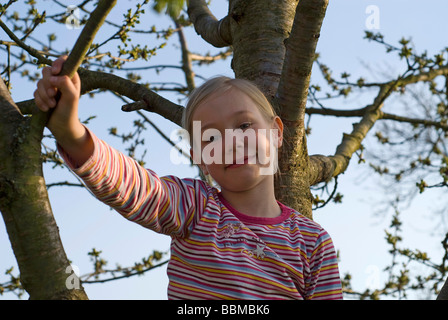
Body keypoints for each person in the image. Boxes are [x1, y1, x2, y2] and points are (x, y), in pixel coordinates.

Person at [34, 56, 343, 300]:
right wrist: (71, 133)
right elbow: (138, 187)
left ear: (276, 132)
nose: (231, 142)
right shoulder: (195, 208)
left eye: (245, 126)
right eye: (211, 137)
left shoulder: (312, 242)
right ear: (200, 159)